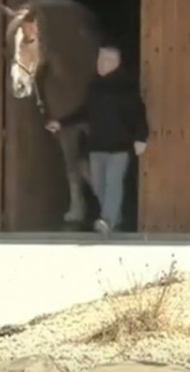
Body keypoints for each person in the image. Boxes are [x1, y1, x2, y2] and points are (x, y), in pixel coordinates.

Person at [45, 43, 148, 235]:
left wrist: (141, 138)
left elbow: (138, 114)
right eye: (100, 60)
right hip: (97, 146)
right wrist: (60, 123)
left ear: (115, 63)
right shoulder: (94, 87)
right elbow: (84, 112)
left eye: (105, 60)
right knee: (99, 186)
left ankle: (107, 220)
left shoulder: (126, 88)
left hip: (119, 147)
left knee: (113, 184)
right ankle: (115, 218)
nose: (100, 64)